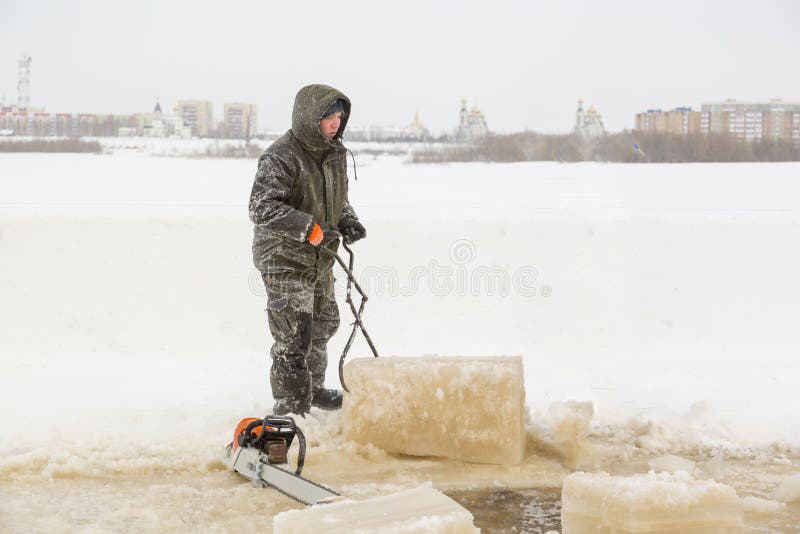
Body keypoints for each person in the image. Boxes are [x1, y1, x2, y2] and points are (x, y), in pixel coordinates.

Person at [248, 84, 366, 416]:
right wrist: (308, 227)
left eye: (339, 117)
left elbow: (336, 197)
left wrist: (347, 221)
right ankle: (290, 404)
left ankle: (312, 390)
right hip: (284, 257)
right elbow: (261, 207)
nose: (335, 123)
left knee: (324, 322)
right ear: (309, 118)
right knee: (294, 334)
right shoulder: (282, 155)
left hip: (320, 257)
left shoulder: (334, 152)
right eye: (328, 116)